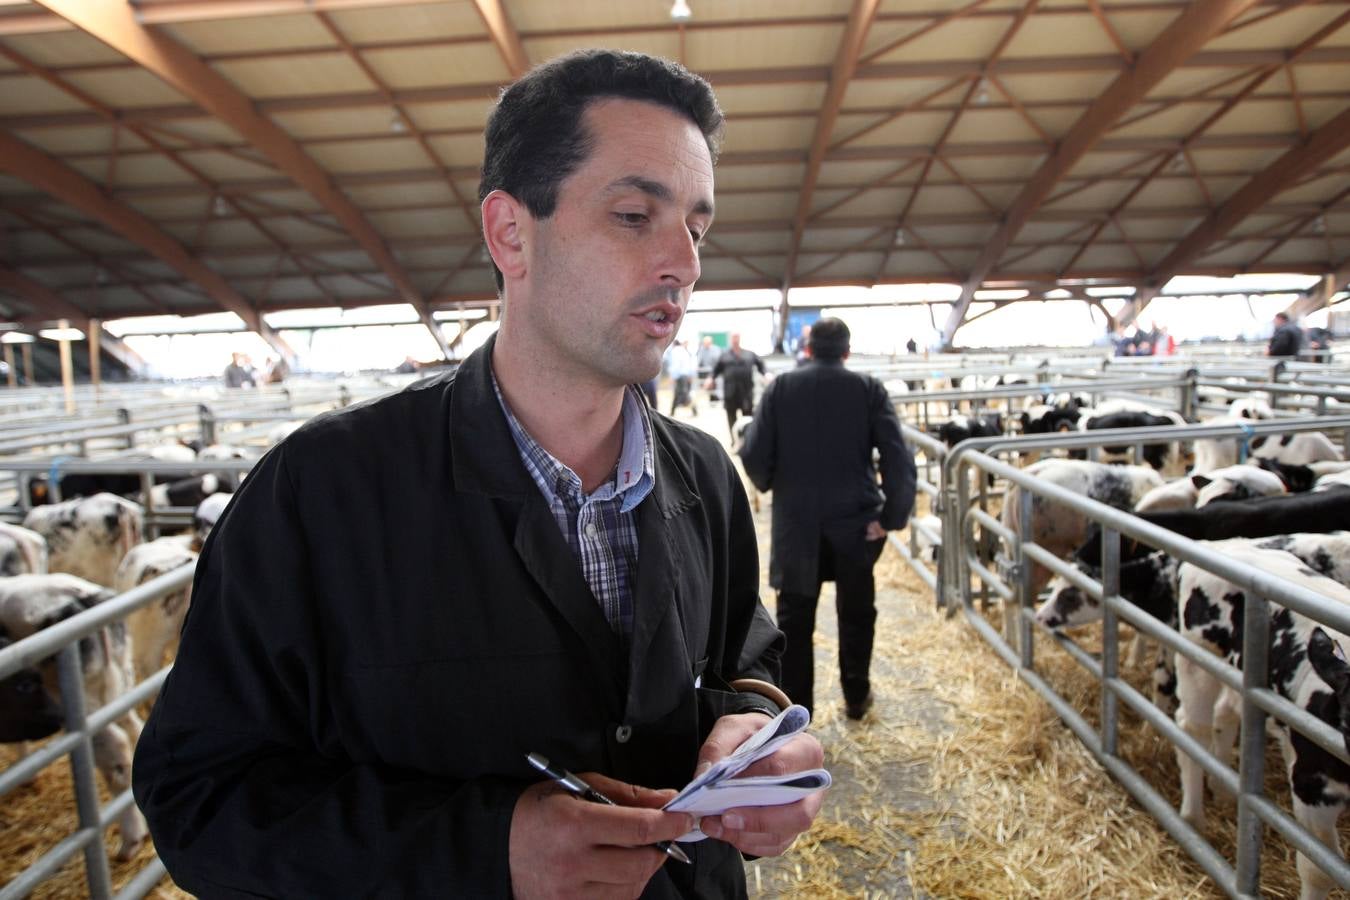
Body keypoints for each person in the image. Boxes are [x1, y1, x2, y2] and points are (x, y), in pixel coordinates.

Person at [133, 49, 823, 899]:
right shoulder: (321, 494)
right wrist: (484, 852)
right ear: (511, 233)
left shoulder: (703, 477)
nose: (684, 261)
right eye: (636, 214)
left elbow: (741, 649)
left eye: (699, 225)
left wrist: (758, 734)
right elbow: (199, 797)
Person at [738, 318, 916, 721]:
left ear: (810, 349)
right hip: (855, 525)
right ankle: (857, 696)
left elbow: (753, 453)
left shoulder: (782, 388)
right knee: (856, 613)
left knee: (793, 624)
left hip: (796, 527)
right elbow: (897, 458)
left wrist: (769, 483)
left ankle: (797, 714)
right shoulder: (868, 389)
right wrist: (891, 517)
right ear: (846, 351)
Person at [707, 332, 765, 439]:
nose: (735, 339)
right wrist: (710, 379)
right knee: (731, 417)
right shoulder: (724, 356)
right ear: (730, 339)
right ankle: (734, 440)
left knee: (747, 418)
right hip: (730, 393)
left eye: (737, 337)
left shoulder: (749, 354)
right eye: (733, 337)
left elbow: (761, 365)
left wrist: (766, 375)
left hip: (746, 392)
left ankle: (747, 440)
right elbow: (716, 370)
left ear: (740, 339)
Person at [664, 338, 698, 415]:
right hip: (685, 375)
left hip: (681, 376)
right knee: (680, 393)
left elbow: (676, 365)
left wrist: (673, 376)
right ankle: (673, 411)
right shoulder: (685, 351)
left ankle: (693, 408)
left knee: (684, 393)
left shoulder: (676, 351)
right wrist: (691, 375)